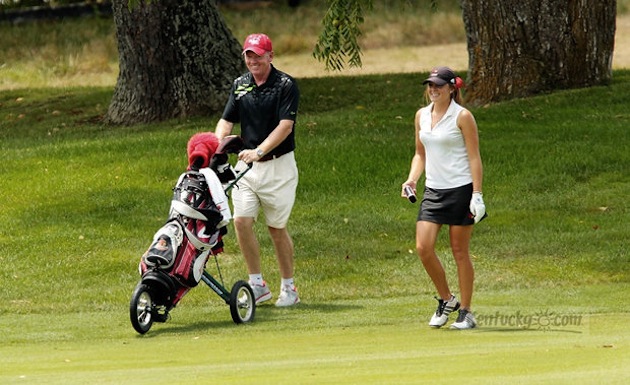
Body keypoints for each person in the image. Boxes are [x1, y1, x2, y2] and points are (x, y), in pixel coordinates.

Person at [214, 33, 300, 307]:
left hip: (278, 167)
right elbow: (226, 121)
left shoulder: (286, 85)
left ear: (270, 56)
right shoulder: (240, 85)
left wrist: (260, 150)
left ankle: (289, 287)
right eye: (248, 55)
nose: (253, 60)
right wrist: (217, 146)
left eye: (258, 55)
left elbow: (285, 126)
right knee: (241, 221)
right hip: (246, 168)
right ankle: (257, 284)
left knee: (276, 229)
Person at [401, 66, 486, 329]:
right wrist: (412, 179)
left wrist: (477, 194)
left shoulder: (463, 117)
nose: (433, 89)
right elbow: (420, 154)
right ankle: (448, 300)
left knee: (460, 252)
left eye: (439, 85)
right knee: (423, 248)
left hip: (461, 190)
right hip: (433, 192)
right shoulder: (421, 116)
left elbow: (474, 157)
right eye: (430, 85)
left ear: (452, 88)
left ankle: (467, 312)